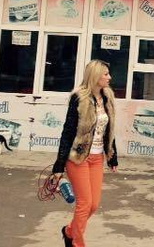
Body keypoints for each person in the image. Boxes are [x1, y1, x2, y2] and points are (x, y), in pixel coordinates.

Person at [51, 60, 118, 247]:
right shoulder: (79, 98)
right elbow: (68, 132)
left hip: (97, 158)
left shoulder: (107, 97)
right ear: (95, 76)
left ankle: (69, 232)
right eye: (105, 74)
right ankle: (77, 243)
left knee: (94, 205)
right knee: (84, 204)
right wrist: (59, 166)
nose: (109, 77)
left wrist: (113, 156)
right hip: (78, 158)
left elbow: (109, 129)